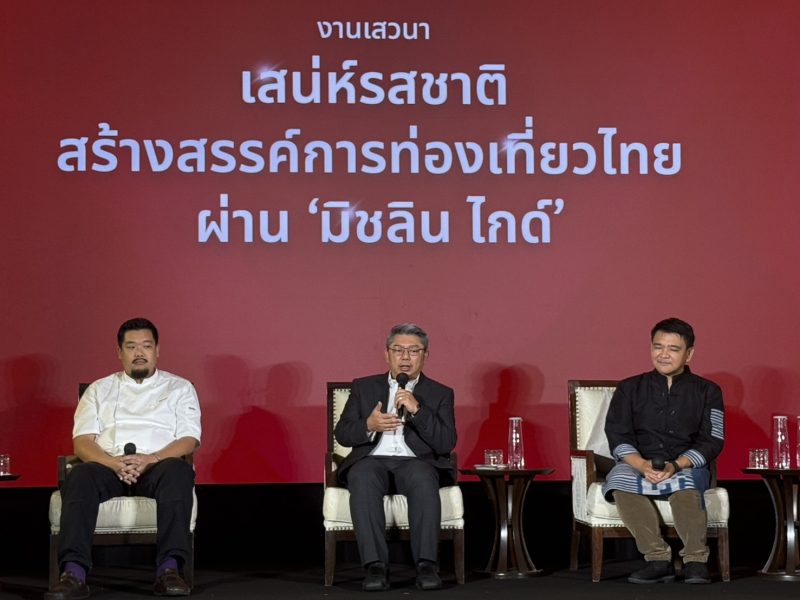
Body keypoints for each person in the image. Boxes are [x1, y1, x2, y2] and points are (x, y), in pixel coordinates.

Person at [46, 318, 202, 600]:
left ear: (157, 350)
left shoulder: (179, 388)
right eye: (131, 347)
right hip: (109, 465)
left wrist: (150, 458)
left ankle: (169, 571)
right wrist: (113, 463)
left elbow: (189, 439)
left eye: (146, 346)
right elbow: (82, 442)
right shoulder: (99, 389)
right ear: (119, 352)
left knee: (179, 471)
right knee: (80, 475)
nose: (139, 353)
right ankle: (73, 574)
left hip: (157, 465)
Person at [334, 323, 457, 591]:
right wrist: (369, 425)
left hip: (415, 462)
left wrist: (418, 410)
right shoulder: (363, 387)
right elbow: (342, 433)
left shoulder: (440, 393)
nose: (405, 357)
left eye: (413, 351)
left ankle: (426, 565)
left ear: (425, 355)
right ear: (386, 354)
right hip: (372, 460)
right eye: (398, 350)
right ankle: (375, 566)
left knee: (423, 477)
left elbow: (446, 442)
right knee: (362, 475)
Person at [603, 317, 724, 585]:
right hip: (638, 462)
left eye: (673, 348)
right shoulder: (628, 388)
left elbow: (712, 440)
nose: (663, 354)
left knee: (686, 488)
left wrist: (676, 465)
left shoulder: (708, 391)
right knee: (619, 481)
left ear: (689, 353)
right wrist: (641, 465)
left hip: (684, 463)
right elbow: (617, 434)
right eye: (658, 347)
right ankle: (657, 559)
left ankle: (695, 561)